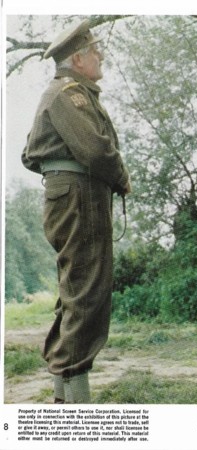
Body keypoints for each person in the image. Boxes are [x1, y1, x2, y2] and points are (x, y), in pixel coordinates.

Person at [21, 19, 131, 403]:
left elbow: (30, 154)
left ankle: (65, 400)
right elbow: (97, 150)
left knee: (76, 292)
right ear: (78, 59)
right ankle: (77, 405)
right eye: (95, 50)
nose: (101, 56)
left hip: (73, 194)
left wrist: (57, 172)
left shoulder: (64, 94)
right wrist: (121, 177)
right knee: (87, 294)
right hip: (81, 196)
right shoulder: (69, 94)